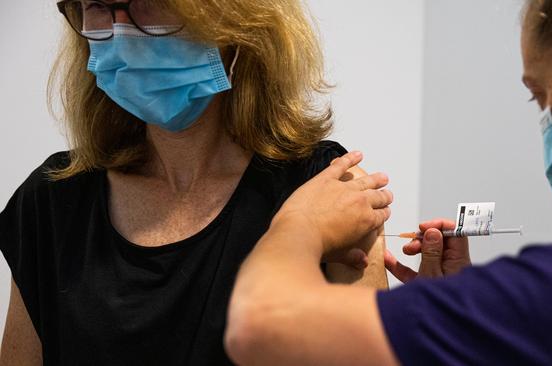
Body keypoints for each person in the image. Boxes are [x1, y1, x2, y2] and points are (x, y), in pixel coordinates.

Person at [225, 0, 552, 364]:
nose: (547, 124)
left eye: (541, 95)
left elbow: (258, 325)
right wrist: (441, 331)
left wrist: (298, 220)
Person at [0, 0, 389, 364]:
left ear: (231, 19)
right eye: (96, 6)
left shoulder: (327, 189)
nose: (121, 34)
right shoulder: (51, 201)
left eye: (148, 2)